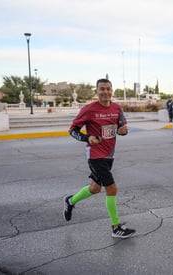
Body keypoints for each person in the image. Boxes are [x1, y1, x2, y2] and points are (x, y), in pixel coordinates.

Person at [63, 78, 136, 239]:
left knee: (95, 188)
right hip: (95, 156)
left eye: (108, 89)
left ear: (112, 91)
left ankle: (70, 201)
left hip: (109, 154)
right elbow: (72, 130)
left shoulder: (117, 108)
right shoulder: (89, 109)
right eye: (101, 89)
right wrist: (87, 138)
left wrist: (123, 131)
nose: (105, 92)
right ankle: (115, 227)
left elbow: (121, 128)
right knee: (112, 188)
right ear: (96, 92)